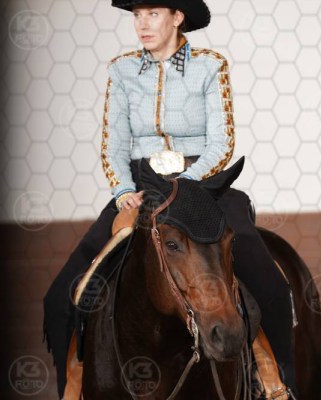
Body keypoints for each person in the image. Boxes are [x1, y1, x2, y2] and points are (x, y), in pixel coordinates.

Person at [43, 0, 297, 398]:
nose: (142, 24)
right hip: (142, 188)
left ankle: (273, 376)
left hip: (203, 183)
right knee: (62, 295)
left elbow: (222, 142)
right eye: (137, 15)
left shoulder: (210, 66)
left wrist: (186, 185)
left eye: (153, 13)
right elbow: (113, 144)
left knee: (272, 286)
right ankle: (74, 383)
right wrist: (122, 190)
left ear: (178, 17)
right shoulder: (122, 70)